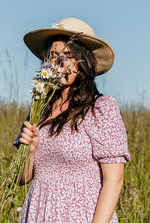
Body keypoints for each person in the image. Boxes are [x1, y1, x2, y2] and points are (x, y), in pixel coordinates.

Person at [13, 18, 131, 223]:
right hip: (37, 212)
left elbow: (114, 181)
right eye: (53, 56)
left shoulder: (101, 108)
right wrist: (29, 152)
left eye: (68, 56)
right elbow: (21, 178)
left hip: (81, 215)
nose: (60, 62)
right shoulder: (38, 111)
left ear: (83, 61)